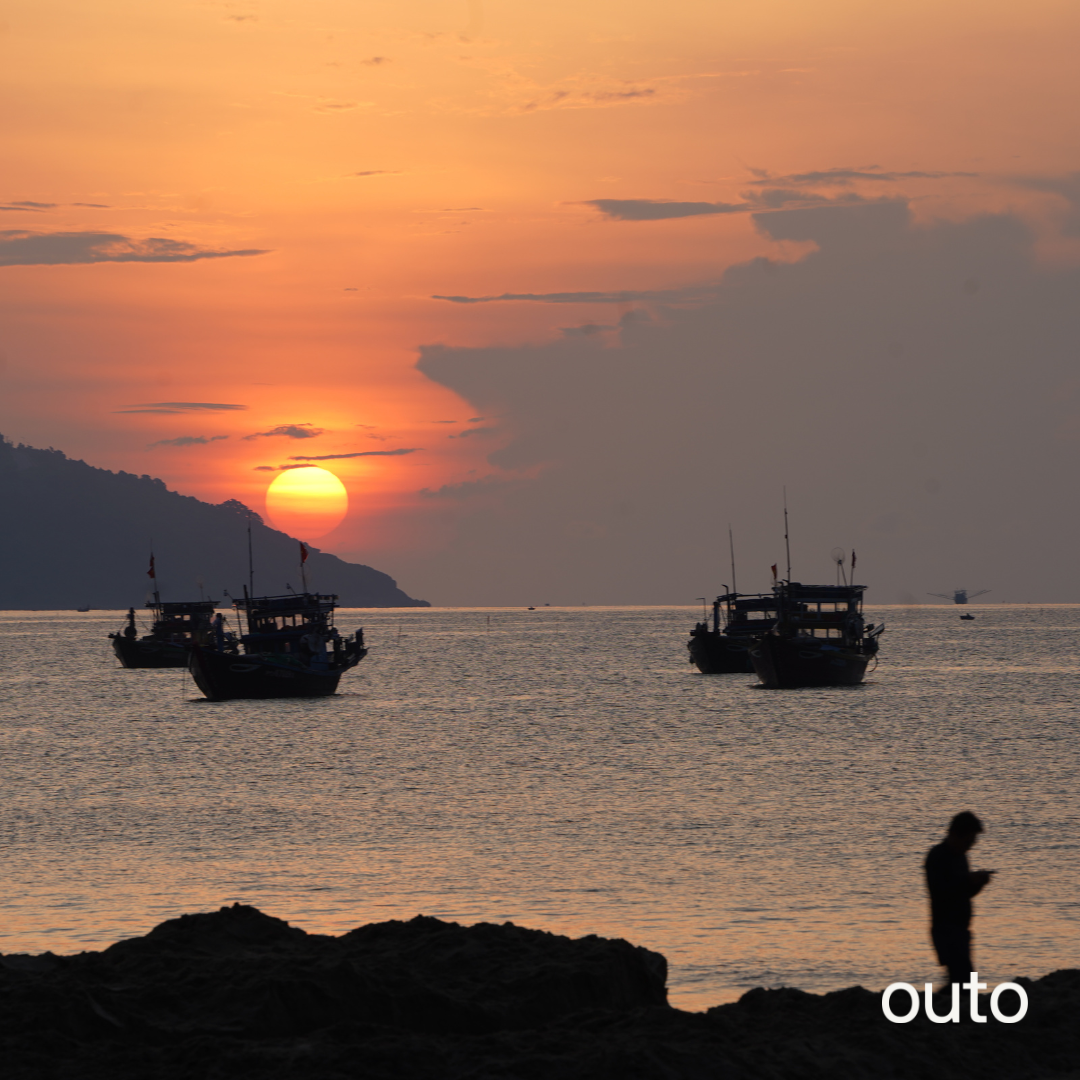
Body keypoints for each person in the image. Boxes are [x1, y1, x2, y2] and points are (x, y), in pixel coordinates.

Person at [924, 811, 995, 991]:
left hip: (960, 929)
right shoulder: (937, 857)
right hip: (945, 929)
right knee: (962, 980)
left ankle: (940, 1008)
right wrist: (969, 880)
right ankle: (943, 1011)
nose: (972, 845)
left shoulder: (961, 857)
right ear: (956, 834)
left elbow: (964, 893)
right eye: (970, 840)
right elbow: (942, 891)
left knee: (961, 981)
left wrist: (979, 884)